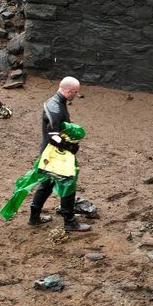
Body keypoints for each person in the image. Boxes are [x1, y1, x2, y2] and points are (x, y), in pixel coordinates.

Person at [28, 76, 91, 232]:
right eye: (75, 93)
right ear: (69, 91)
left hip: (49, 152)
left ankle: (34, 217)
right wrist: (69, 146)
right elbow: (53, 136)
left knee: (47, 184)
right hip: (55, 153)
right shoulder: (56, 108)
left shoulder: (55, 102)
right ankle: (70, 222)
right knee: (68, 184)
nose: (75, 96)